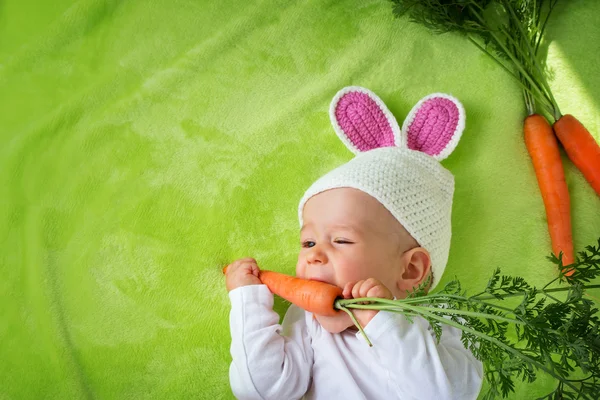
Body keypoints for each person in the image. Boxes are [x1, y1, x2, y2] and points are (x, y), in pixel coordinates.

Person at [224, 86, 483, 399]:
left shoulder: (443, 321)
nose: (314, 256)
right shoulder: (309, 322)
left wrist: (385, 324)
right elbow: (261, 391)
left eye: (341, 240)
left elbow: (444, 395)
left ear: (410, 269)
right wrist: (248, 303)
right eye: (307, 242)